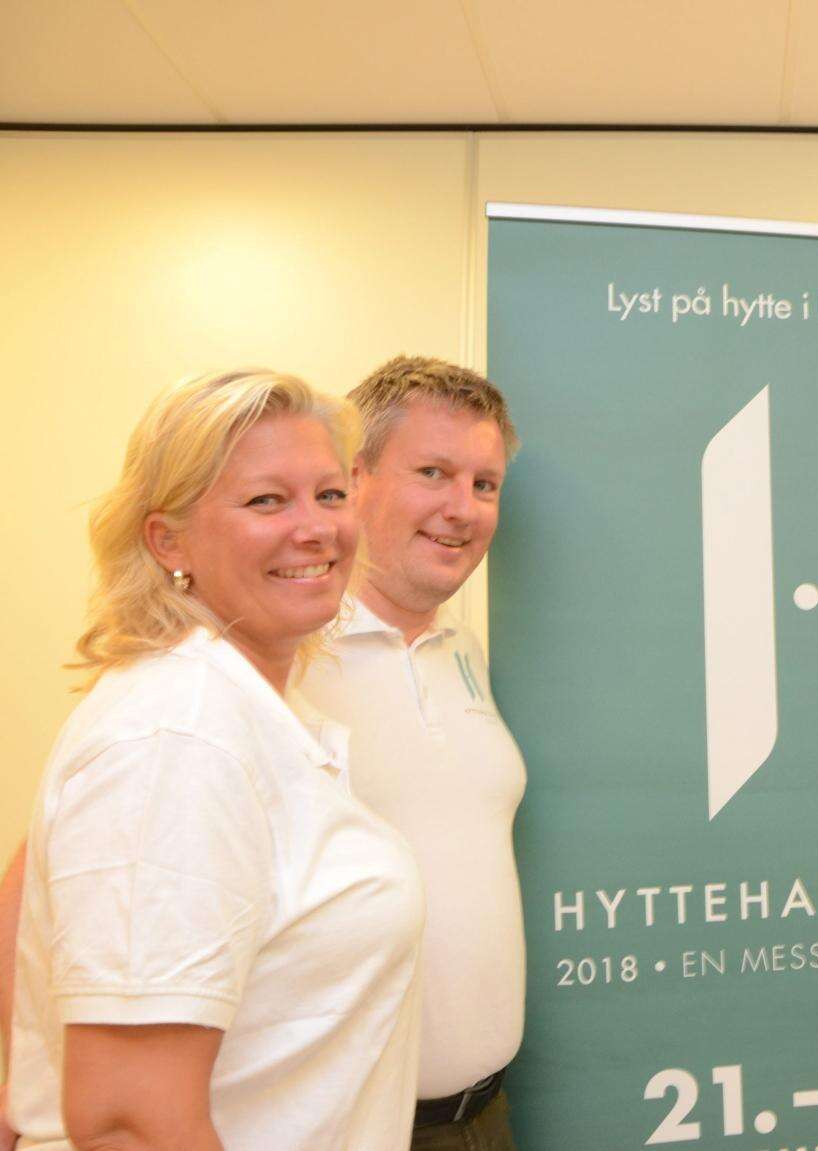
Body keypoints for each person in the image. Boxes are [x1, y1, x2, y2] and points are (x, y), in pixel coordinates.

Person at [6, 370, 423, 1150]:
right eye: (267, 500)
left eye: (330, 495)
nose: (315, 528)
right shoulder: (178, 734)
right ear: (168, 540)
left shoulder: (245, 711)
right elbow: (130, 1121)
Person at [295, 356, 526, 1150]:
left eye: (484, 484)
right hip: (345, 1130)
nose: (462, 508)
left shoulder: (463, 646)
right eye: (433, 472)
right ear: (354, 477)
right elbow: (61, 854)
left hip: (482, 1116)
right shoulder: (278, 652)